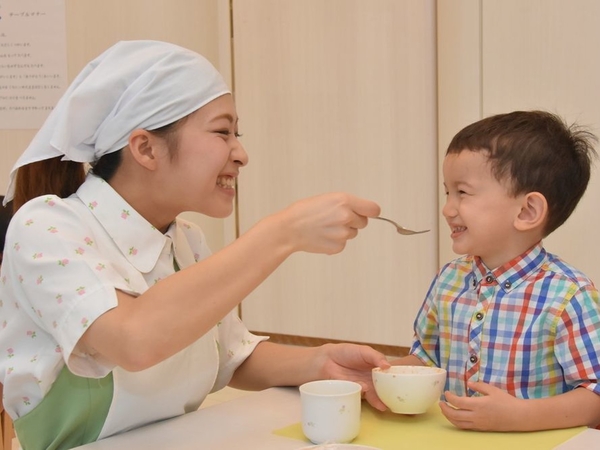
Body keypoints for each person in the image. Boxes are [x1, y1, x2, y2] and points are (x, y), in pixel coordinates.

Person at [0, 40, 390, 450]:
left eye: (236, 133)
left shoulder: (185, 239)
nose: (241, 154)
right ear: (145, 148)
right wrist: (282, 232)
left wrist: (321, 363)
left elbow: (231, 355)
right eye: (223, 132)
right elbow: (133, 338)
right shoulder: (45, 226)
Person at [393, 111, 600, 432]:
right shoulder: (449, 278)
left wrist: (522, 416)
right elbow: (426, 360)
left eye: (462, 192)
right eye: (447, 192)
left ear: (527, 211)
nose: (448, 208)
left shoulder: (568, 294)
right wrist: (383, 372)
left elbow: (595, 393)